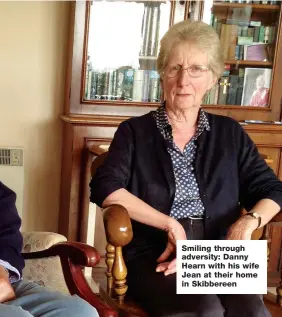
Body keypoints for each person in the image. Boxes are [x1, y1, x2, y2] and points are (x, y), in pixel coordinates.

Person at [90, 20, 282, 317]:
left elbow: (272, 189)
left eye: (196, 69)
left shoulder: (229, 132)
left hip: (218, 253)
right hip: (156, 252)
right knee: (205, 309)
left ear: (214, 78)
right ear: (161, 74)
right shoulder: (134, 132)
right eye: (174, 68)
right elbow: (105, 187)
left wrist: (251, 221)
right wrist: (170, 224)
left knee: (251, 310)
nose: (183, 80)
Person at [0, 181, 99, 317]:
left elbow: (7, 236)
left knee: (81, 312)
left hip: (9, 283)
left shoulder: (2, 194)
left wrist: (2, 272)